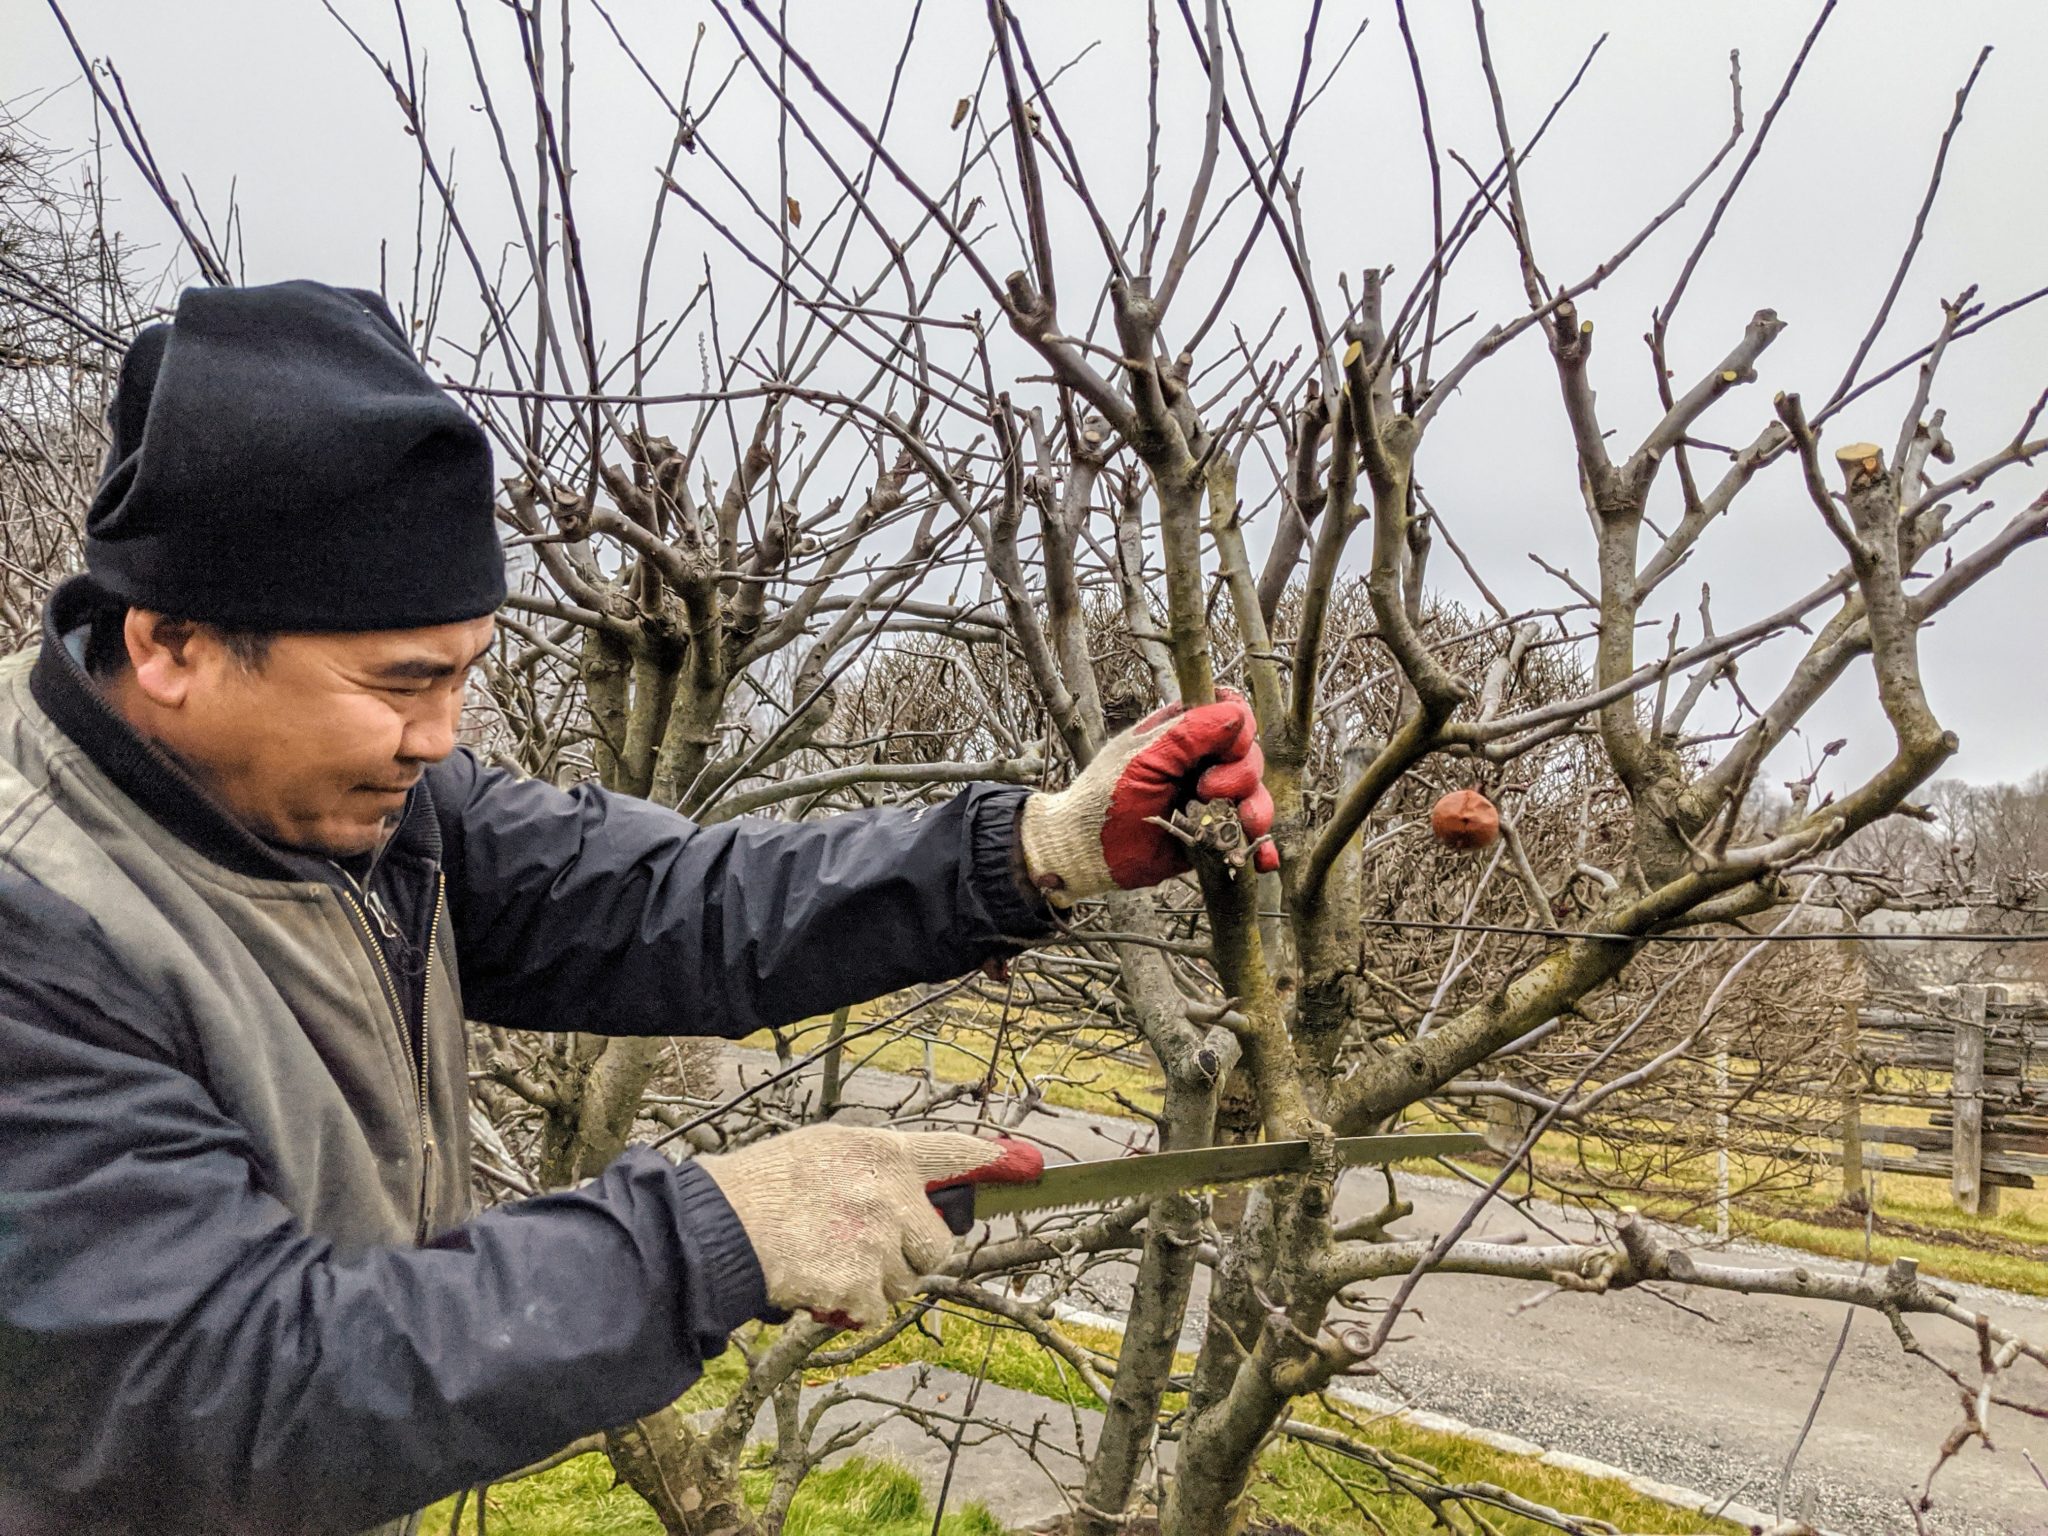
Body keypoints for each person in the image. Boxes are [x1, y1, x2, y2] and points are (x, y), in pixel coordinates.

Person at [0, 280, 1279, 1536]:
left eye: (465, 675)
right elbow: (209, 1391)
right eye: (399, 683)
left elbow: (668, 902)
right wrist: (714, 1237)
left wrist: (1035, 849)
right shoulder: (33, 915)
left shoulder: (347, 802)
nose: (439, 737)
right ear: (170, 645)